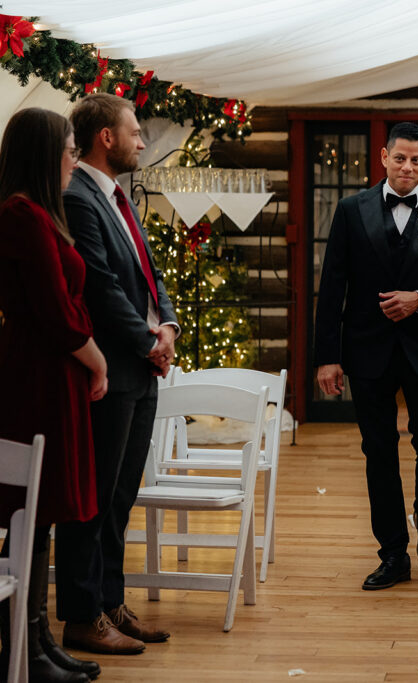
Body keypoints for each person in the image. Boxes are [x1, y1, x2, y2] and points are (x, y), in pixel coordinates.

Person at [314, 122, 418, 590]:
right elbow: (332, 286)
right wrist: (327, 357)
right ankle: (392, 554)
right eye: (400, 158)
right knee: (378, 451)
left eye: (416, 160)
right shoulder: (352, 210)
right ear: (384, 157)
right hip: (366, 350)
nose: (407, 166)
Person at [56, 93, 178, 655]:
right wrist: (146, 342)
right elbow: (102, 287)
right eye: (134, 131)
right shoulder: (78, 196)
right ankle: (82, 615)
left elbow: (150, 276)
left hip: (141, 368)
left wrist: (168, 326)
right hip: (115, 368)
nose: (141, 141)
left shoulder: (118, 197)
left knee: (121, 496)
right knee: (96, 497)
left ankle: (110, 601)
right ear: (106, 137)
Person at [0, 108, 104, 682]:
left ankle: (38, 637)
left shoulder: (42, 213)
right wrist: (98, 359)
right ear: (44, 153)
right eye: (68, 149)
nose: (73, 158)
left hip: (54, 370)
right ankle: (25, 648)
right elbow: (56, 313)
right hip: (37, 373)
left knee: (42, 511)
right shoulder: (20, 214)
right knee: (30, 507)